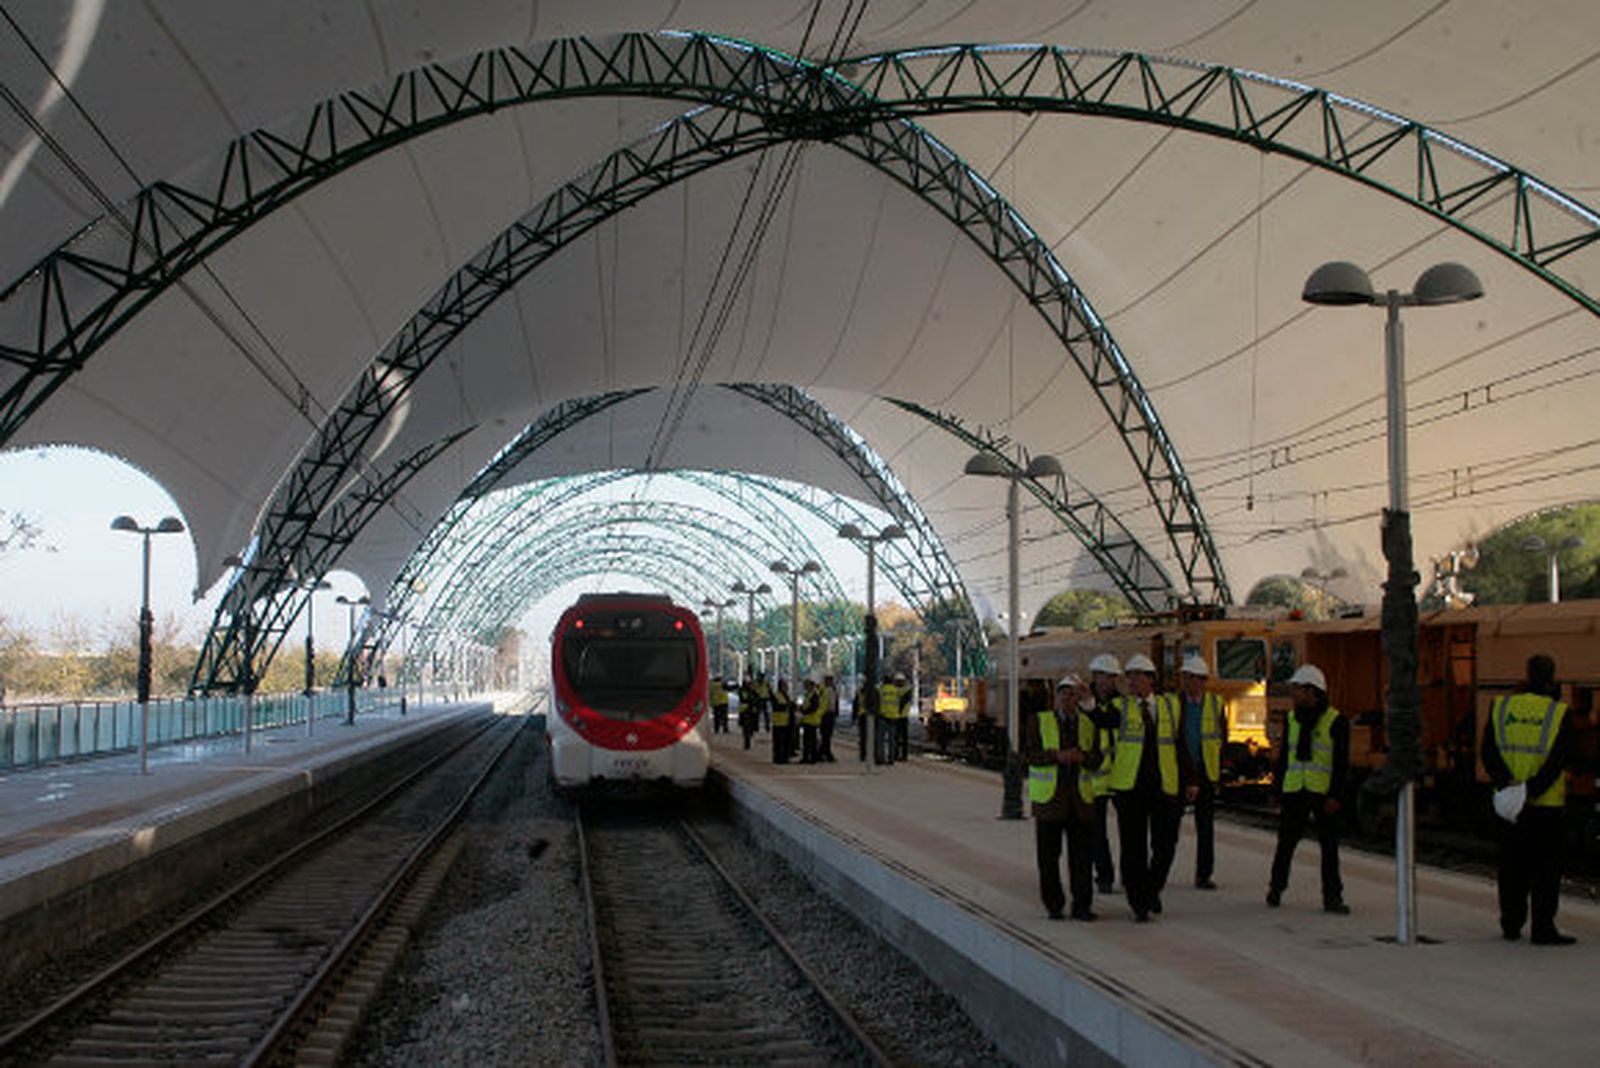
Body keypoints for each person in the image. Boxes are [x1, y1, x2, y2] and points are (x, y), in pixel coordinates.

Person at [1482, 653, 1576, 944]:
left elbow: (1488, 752)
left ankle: (1511, 924)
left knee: (1511, 868)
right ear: (1551, 680)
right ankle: (1543, 928)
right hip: (1545, 807)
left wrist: (1508, 785)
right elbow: (1559, 759)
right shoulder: (1559, 713)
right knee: (1545, 871)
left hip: (1510, 807)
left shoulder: (1501, 707)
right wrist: (1532, 789)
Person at [1267, 664, 1350, 914]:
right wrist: (1277, 789)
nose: (1293, 693)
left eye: (1297, 689)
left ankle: (1332, 897)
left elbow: (1341, 763)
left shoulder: (1336, 721)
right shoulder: (1292, 719)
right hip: (1295, 790)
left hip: (1323, 793)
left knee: (1329, 847)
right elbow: (1284, 758)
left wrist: (1336, 795)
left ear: (1312, 691)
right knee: (1285, 844)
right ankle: (1275, 888)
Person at [1109, 653, 1181, 921]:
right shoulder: (1121, 707)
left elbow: (1179, 744)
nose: (1134, 681)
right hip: (1130, 789)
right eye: (1130, 677)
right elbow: (1100, 719)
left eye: (1139, 676)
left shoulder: (1171, 707)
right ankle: (1139, 902)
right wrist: (1089, 702)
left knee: (1165, 845)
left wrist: (1191, 780)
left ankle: (1151, 888)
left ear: (1152, 680)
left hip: (1164, 787)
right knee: (1133, 848)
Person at [1024, 677, 1090, 920]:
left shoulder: (1088, 723)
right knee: (1049, 858)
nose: (1069, 699)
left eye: (1073, 695)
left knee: (1082, 858)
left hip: (1081, 802)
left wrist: (1083, 757)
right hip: (1049, 802)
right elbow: (1030, 754)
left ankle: (1082, 905)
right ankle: (1054, 904)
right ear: (1056, 698)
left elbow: (1097, 756)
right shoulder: (1039, 722)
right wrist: (1057, 756)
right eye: (1064, 694)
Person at [1176, 655, 1226, 889]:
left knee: (1205, 827)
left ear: (1203, 680)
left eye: (1192, 678)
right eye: (1185, 677)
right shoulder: (1174, 703)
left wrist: (1217, 772)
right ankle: (1161, 865)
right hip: (1178, 772)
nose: (1187, 682)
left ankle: (1203, 874)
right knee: (1168, 826)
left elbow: (1220, 739)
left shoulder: (1217, 705)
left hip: (1206, 773)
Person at [1086, 654, 1122, 894]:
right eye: (1102, 676)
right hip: (1095, 778)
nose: (1106, 681)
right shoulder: (1083, 703)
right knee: (1096, 832)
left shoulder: (1122, 704)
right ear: (1095, 677)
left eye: (1110, 677)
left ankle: (1129, 875)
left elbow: (1112, 721)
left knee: (1129, 832)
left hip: (1121, 776)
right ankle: (1104, 876)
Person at [877, 674, 903, 765]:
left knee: (881, 739)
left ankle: (881, 757)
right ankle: (891, 758)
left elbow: (877, 702)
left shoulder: (881, 690)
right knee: (892, 740)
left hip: (883, 716)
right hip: (894, 717)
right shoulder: (896, 691)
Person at [771, 678, 795, 764]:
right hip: (778, 722)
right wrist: (787, 706)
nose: (787, 687)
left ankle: (784, 757)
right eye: (785, 685)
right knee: (779, 741)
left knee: (785, 741)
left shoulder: (786, 695)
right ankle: (778, 758)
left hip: (785, 721)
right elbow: (777, 707)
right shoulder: (776, 695)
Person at [799, 678, 822, 764]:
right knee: (806, 740)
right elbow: (806, 705)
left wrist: (804, 711)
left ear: (811, 686)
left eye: (806, 685)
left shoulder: (814, 695)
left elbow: (814, 708)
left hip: (812, 720)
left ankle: (812, 758)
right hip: (807, 720)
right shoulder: (807, 694)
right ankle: (806, 757)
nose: (804, 687)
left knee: (811, 740)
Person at [819, 674, 838, 762]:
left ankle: (824, 752)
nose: (830, 682)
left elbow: (835, 702)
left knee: (827, 735)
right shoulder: (825, 690)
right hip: (826, 714)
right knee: (826, 735)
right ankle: (825, 753)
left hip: (830, 714)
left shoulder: (833, 690)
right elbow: (825, 703)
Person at [737, 674, 759, 750]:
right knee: (746, 727)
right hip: (745, 710)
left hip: (751, 710)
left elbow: (756, 697)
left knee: (750, 726)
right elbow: (744, 698)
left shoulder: (752, 690)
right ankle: (747, 742)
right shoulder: (742, 690)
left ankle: (749, 735)